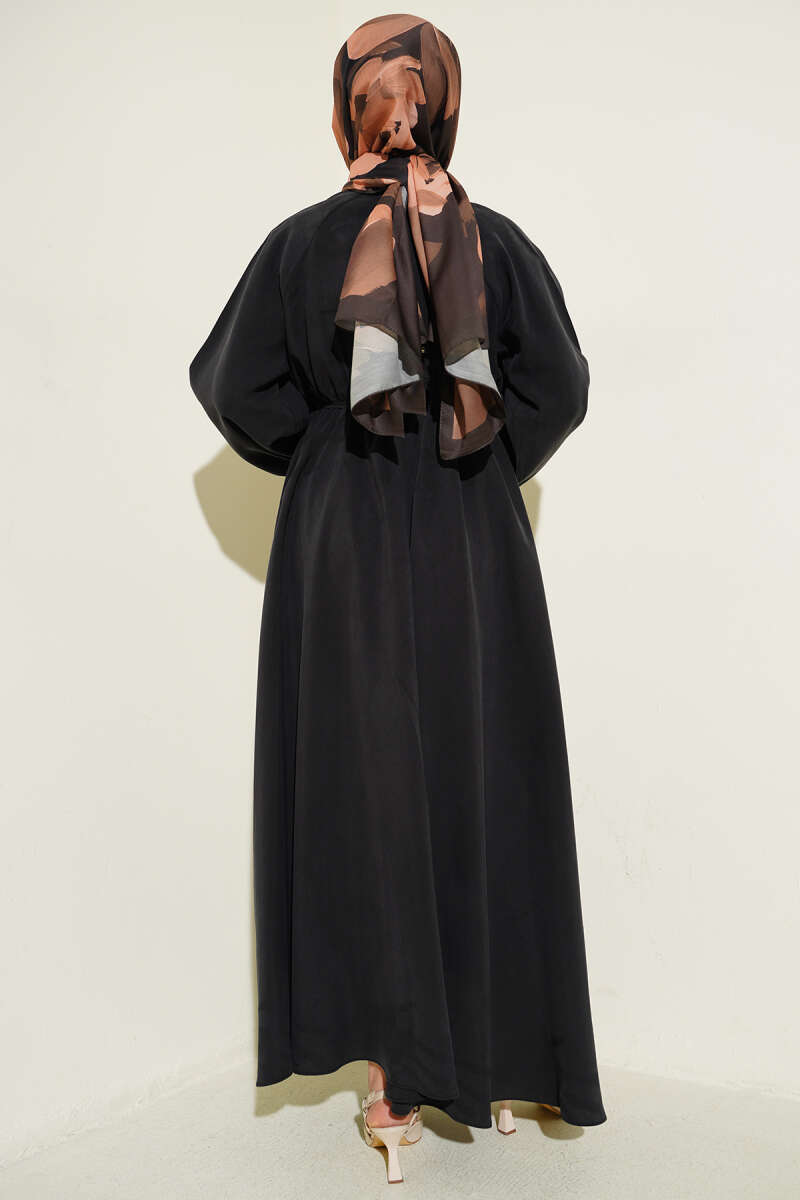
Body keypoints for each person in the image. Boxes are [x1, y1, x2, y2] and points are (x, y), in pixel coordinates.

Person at [189, 12, 607, 1184]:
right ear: (444, 103)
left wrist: (332, 451)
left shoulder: (296, 244)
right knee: (485, 768)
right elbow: (559, 387)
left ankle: (391, 1085)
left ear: (346, 108)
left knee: (361, 785)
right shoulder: (498, 242)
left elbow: (232, 386)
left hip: (344, 537)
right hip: (472, 527)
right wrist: (474, 457)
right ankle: (498, 1061)